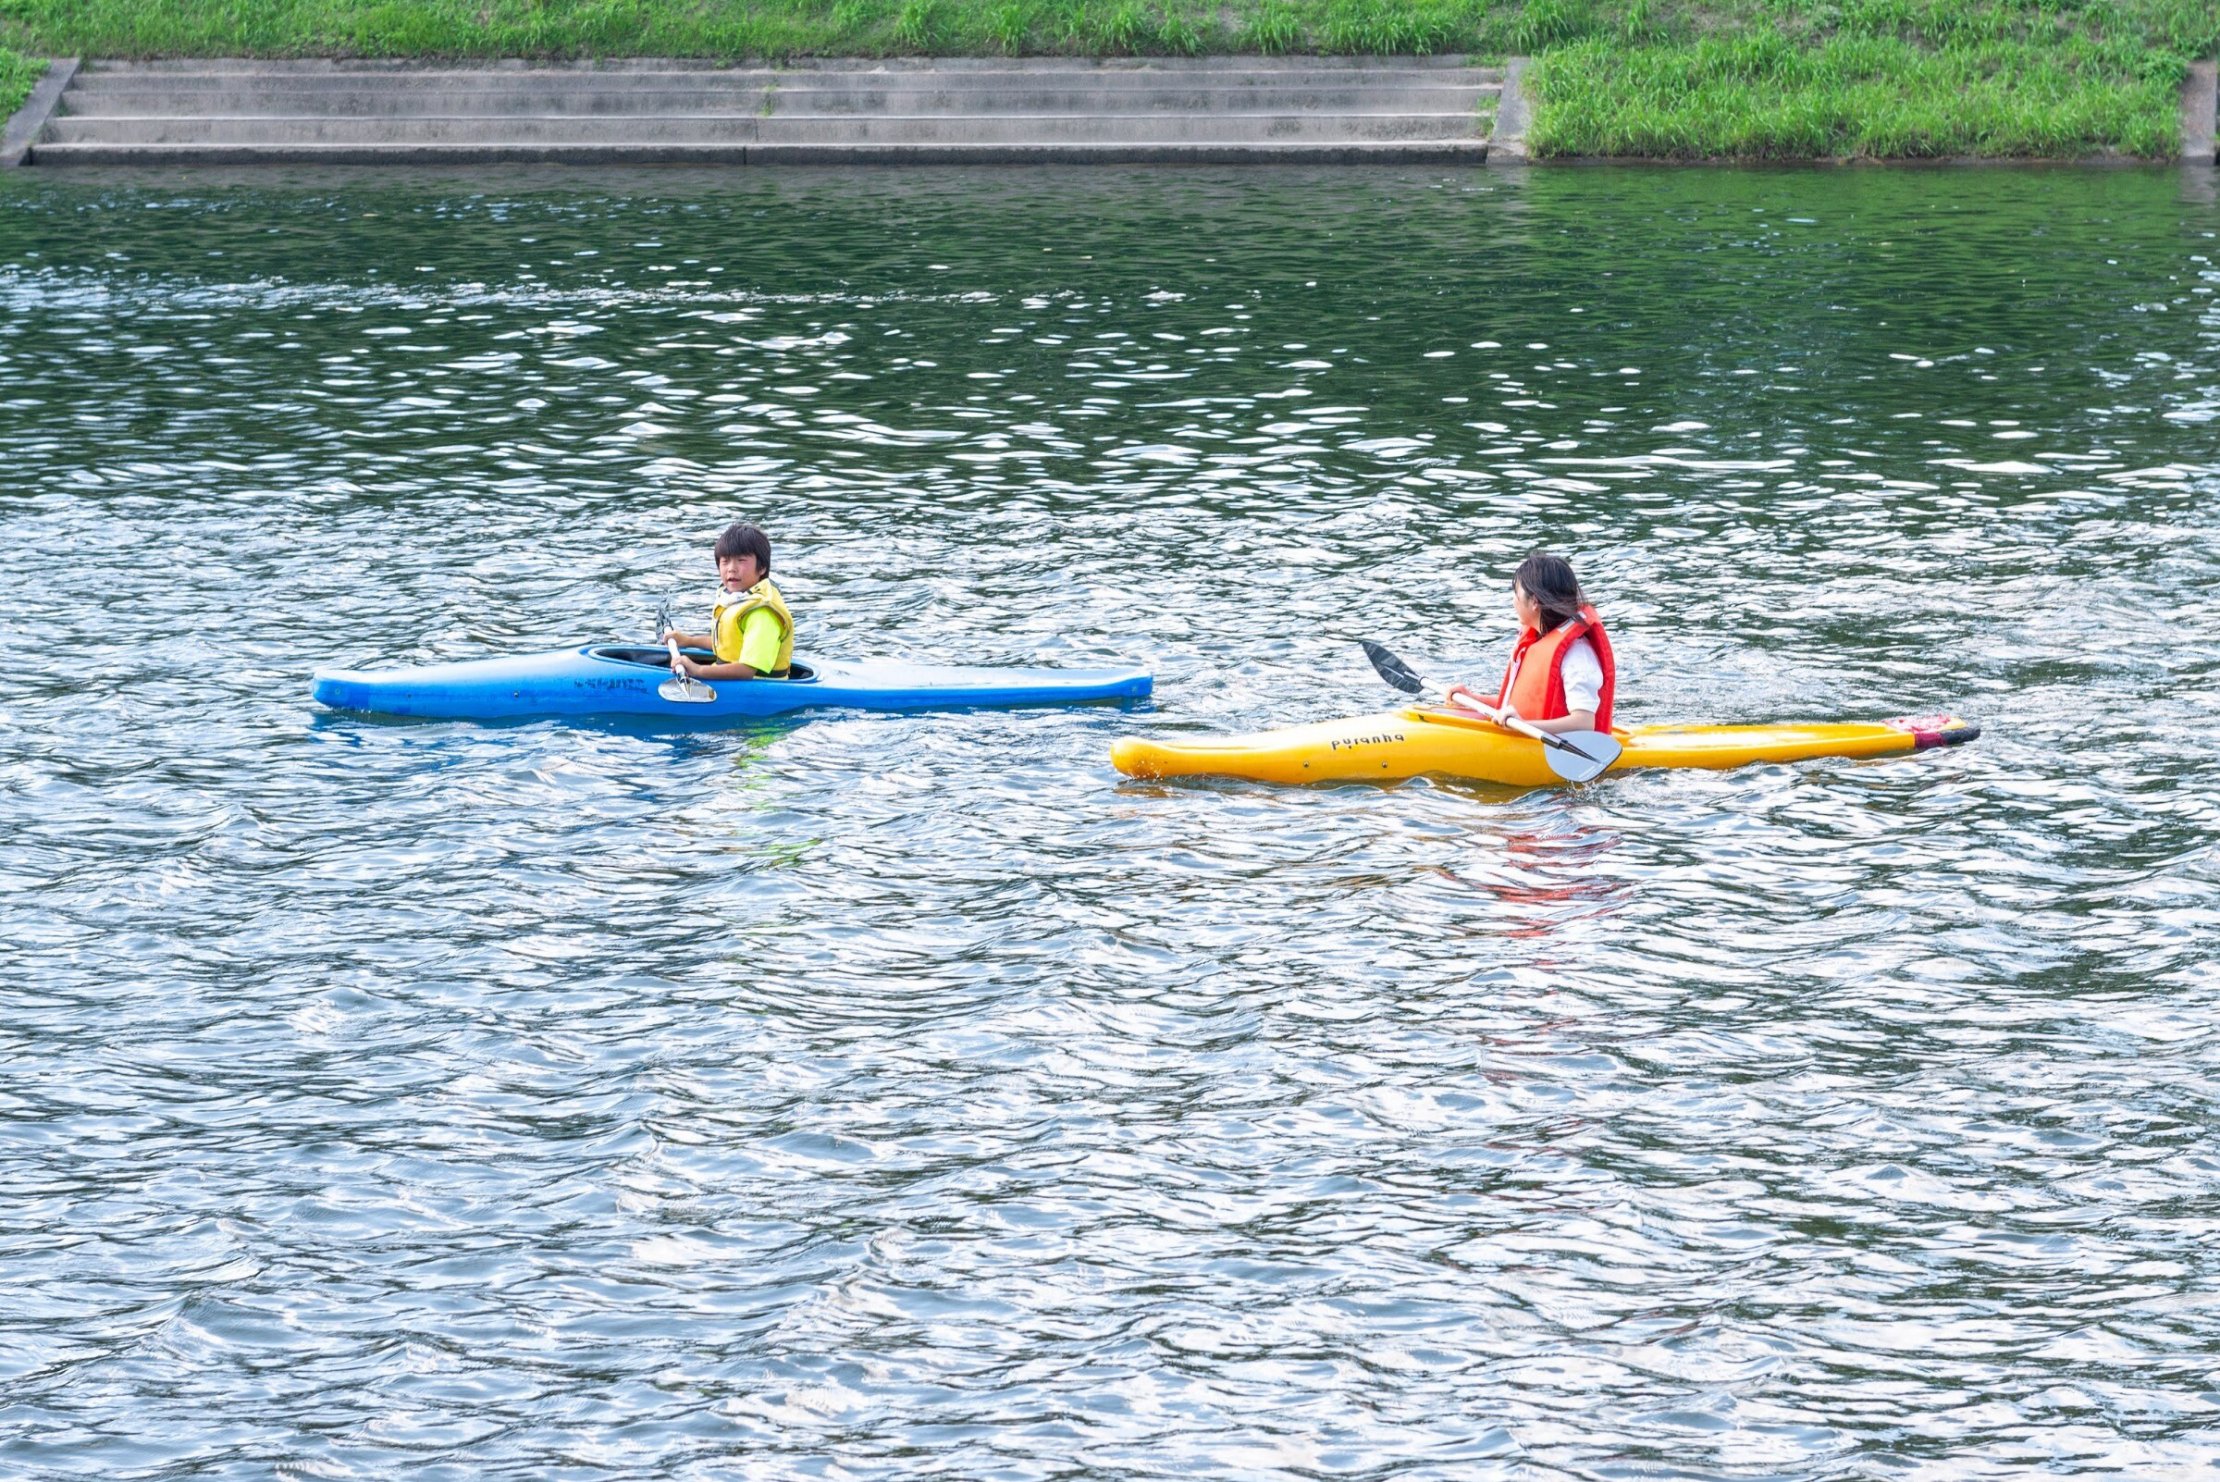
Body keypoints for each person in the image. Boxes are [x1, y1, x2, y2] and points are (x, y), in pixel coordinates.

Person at [1445, 553, 1615, 735]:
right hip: (1529, 737)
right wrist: (1473, 699)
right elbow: (1518, 705)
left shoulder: (1578, 654)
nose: (1513, 600)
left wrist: (1525, 726)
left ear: (1534, 602)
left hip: (1558, 749)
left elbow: (1584, 723)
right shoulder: (1538, 641)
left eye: (1516, 593)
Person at [666, 522, 794, 681]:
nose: (731, 568)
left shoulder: (762, 614)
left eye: (741, 560)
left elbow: (746, 671)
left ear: (761, 568)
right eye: (725, 561)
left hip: (757, 688)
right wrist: (688, 640)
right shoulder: (738, 598)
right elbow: (728, 643)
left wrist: (698, 670)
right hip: (733, 679)